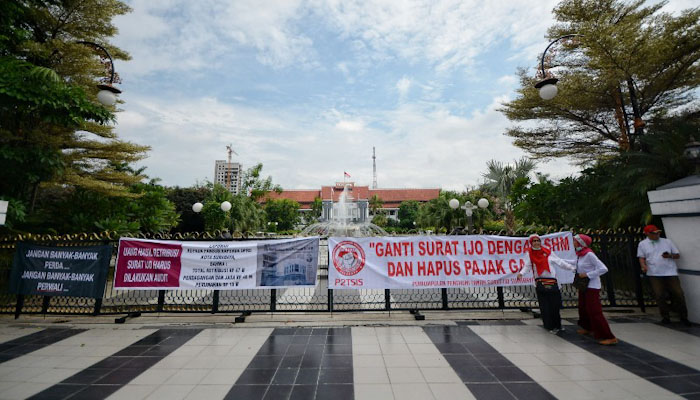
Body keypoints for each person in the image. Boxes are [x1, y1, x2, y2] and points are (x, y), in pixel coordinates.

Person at [517, 234, 575, 334]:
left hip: (552, 282)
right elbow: (527, 266)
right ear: (531, 243)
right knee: (545, 306)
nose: (536, 242)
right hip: (540, 283)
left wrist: (571, 268)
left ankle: (558, 325)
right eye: (534, 241)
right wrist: (521, 273)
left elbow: (559, 262)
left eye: (537, 240)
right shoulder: (530, 254)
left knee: (555, 305)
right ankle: (549, 326)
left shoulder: (548, 252)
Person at [637, 224, 690, 326]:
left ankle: (684, 317)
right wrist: (643, 266)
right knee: (659, 295)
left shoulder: (667, 242)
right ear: (647, 234)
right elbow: (641, 257)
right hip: (654, 273)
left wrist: (669, 256)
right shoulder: (643, 244)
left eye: (657, 233)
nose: (656, 235)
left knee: (678, 294)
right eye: (653, 233)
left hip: (670, 272)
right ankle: (665, 317)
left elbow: (677, 255)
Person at [573, 234, 618, 345]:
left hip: (592, 286)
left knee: (595, 311)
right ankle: (588, 327)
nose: (573, 243)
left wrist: (588, 274)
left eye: (574, 241)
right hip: (584, 286)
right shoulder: (579, 254)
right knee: (583, 308)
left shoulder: (589, 254)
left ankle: (608, 336)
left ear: (580, 243)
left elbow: (603, 269)